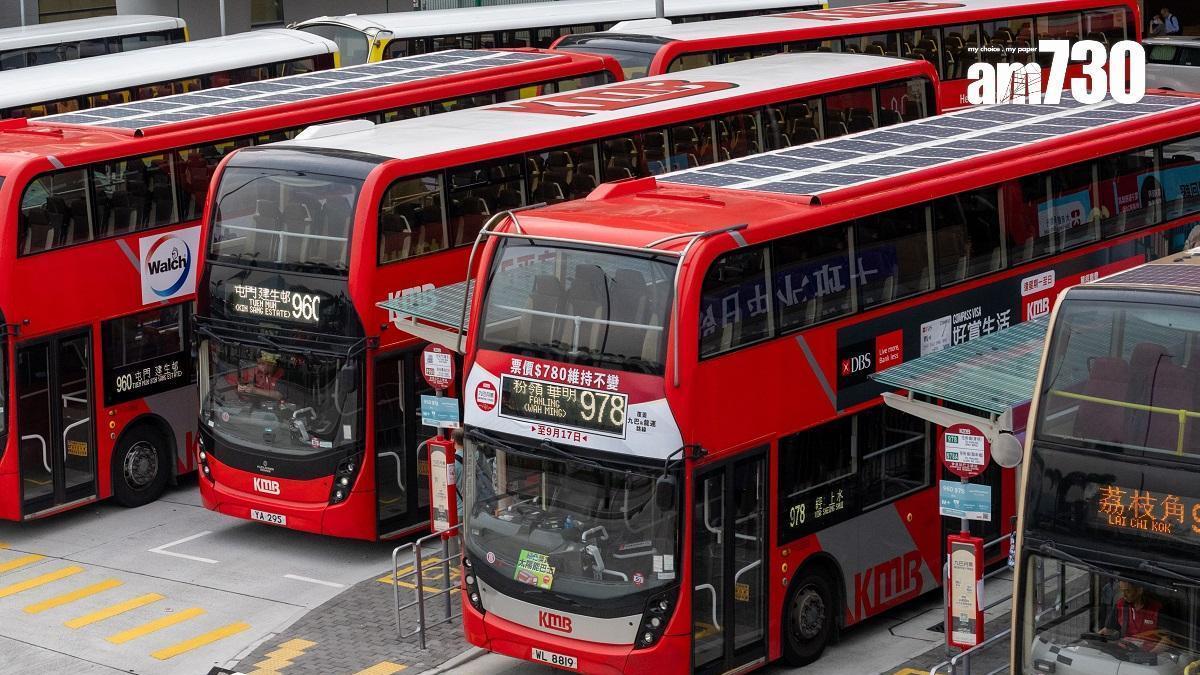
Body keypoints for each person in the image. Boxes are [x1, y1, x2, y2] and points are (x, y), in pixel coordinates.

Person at [1100, 581, 1168, 652]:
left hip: (1151, 655)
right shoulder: (1120, 605)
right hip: (1125, 652)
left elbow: (1167, 640)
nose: (1124, 595)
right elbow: (1107, 630)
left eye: (1127, 591)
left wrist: (1150, 655)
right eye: (1122, 591)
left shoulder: (1157, 608)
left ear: (1139, 590)